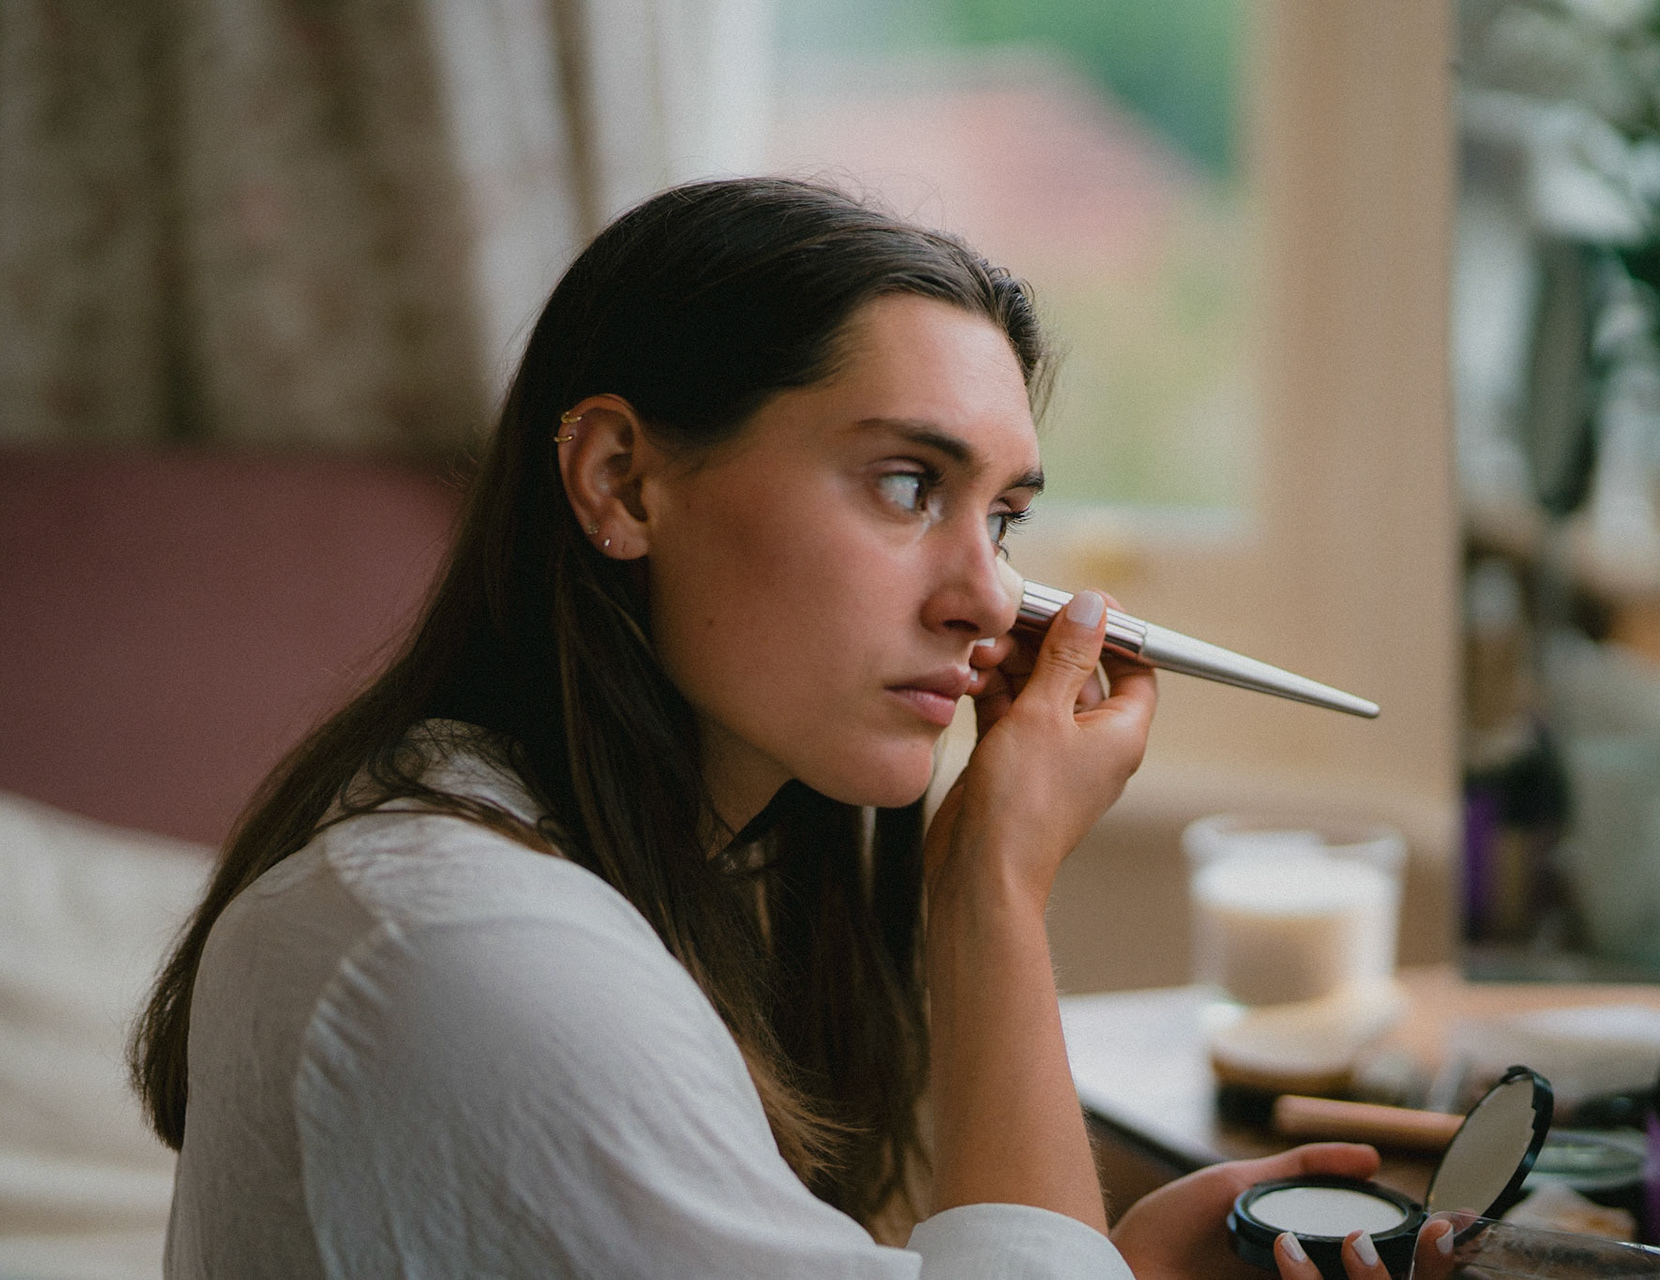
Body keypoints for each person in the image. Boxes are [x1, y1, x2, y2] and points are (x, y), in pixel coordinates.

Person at [134, 177, 1455, 1278]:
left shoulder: (580, 879)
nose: (990, 599)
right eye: (903, 483)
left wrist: (1117, 1262)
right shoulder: (472, 961)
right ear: (621, 481)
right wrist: (992, 884)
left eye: (1003, 519)